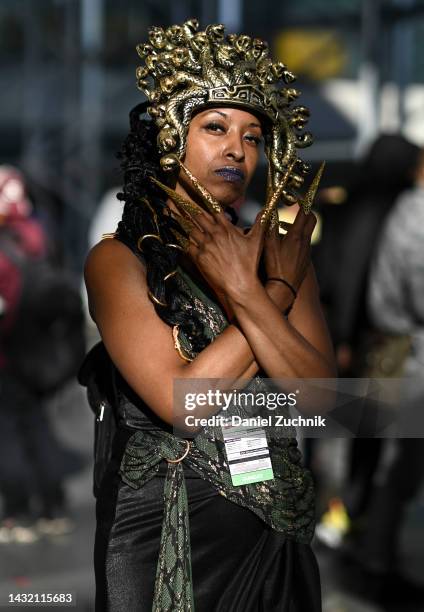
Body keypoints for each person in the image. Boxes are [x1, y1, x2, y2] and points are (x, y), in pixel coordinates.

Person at [82, 19, 336, 611]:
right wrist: (271, 290)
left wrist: (252, 286)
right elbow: (184, 403)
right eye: (216, 128)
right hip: (167, 534)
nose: (236, 150)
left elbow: (322, 399)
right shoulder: (117, 261)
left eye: (253, 138)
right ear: (172, 136)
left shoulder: (283, 250)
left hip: (276, 529)